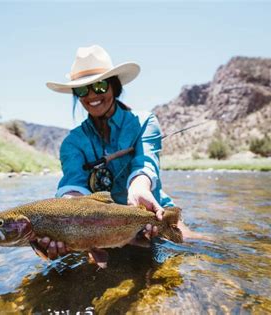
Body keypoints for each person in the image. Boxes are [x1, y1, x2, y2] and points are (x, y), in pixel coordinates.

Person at [39, 45, 193, 260]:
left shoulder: (145, 122)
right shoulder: (72, 142)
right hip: (101, 226)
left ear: (114, 87)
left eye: (100, 86)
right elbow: (73, 183)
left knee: (193, 246)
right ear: (77, 95)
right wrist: (67, 211)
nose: (92, 95)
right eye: (83, 89)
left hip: (152, 212)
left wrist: (139, 188)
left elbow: (145, 162)